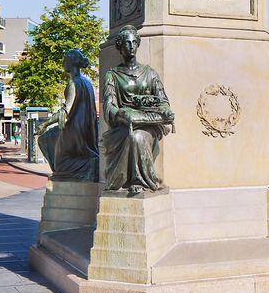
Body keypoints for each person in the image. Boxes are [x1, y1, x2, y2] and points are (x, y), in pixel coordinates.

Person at [102, 24, 174, 195]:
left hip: (149, 125)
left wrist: (165, 111)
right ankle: (128, 180)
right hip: (123, 125)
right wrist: (121, 113)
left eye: (134, 42)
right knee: (132, 135)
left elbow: (163, 100)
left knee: (137, 136)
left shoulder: (150, 73)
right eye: (127, 43)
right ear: (120, 46)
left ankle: (140, 180)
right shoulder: (112, 75)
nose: (131, 46)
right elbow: (109, 105)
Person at [37, 49, 100, 181]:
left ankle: (67, 171)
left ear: (71, 62)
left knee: (44, 139)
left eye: (65, 59)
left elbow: (65, 111)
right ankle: (88, 164)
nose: (63, 62)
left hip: (74, 130)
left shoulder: (73, 83)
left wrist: (45, 124)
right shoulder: (87, 82)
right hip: (87, 130)